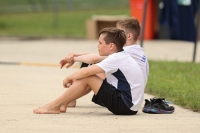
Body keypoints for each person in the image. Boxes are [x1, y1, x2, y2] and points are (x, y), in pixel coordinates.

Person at [33, 27, 145, 115]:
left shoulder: (115, 59)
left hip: (125, 106)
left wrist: (67, 78)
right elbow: (92, 59)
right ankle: (62, 103)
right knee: (90, 74)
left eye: (100, 43)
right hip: (130, 106)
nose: (98, 46)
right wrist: (75, 57)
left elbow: (86, 72)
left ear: (111, 46)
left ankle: (54, 106)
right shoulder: (121, 56)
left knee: (88, 76)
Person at [60, 17, 149, 107]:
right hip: (129, 89)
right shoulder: (135, 50)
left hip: (126, 91)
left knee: (89, 72)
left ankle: (68, 99)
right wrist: (75, 55)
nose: (116, 34)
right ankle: (70, 98)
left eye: (120, 32)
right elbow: (95, 56)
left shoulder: (127, 51)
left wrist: (74, 59)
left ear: (129, 36)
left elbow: (94, 58)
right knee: (90, 66)